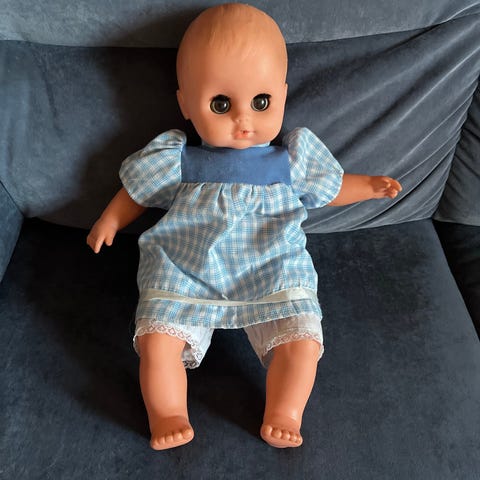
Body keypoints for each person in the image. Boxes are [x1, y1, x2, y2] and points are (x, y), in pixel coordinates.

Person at [87, 3, 402, 450]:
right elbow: (138, 191)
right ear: (185, 104)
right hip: (187, 267)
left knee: (302, 342)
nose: (243, 119)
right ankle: (168, 412)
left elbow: (330, 188)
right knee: (157, 342)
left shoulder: (290, 159)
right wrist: (111, 218)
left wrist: (368, 185)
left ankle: (285, 411)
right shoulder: (178, 158)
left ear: (282, 96)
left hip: (271, 264)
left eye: (261, 102)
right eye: (221, 104)